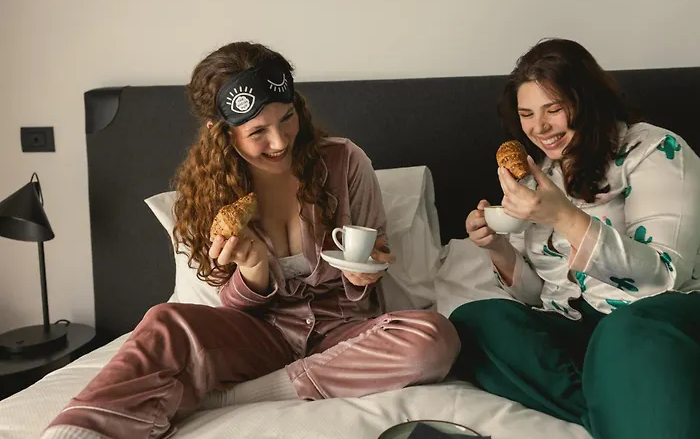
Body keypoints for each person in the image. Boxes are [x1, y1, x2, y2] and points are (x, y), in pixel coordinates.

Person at [43, 42, 460, 439]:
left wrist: (365, 273)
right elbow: (233, 311)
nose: (280, 141)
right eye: (258, 130)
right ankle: (80, 428)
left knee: (434, 339)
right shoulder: (209, 195)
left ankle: (249, 395)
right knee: (164, 322)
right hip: (259, 339)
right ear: (223, 133)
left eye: (287, 117)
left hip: (345, 337)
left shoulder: (344, 162)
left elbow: (373, 252)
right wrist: (254, 272)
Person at [450, 38, 700, 439]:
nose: (539, 127)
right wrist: (497, 247)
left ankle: (623, 400)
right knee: (476, 323)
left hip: (655, 320)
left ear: (588, 101)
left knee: (624, 332)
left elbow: (665, 275)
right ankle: (615, 409)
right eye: (527, 114)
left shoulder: (653, 150)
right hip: (579, 325)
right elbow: (539, 295)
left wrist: (564, 216)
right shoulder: (540, 175)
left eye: (553, 109)